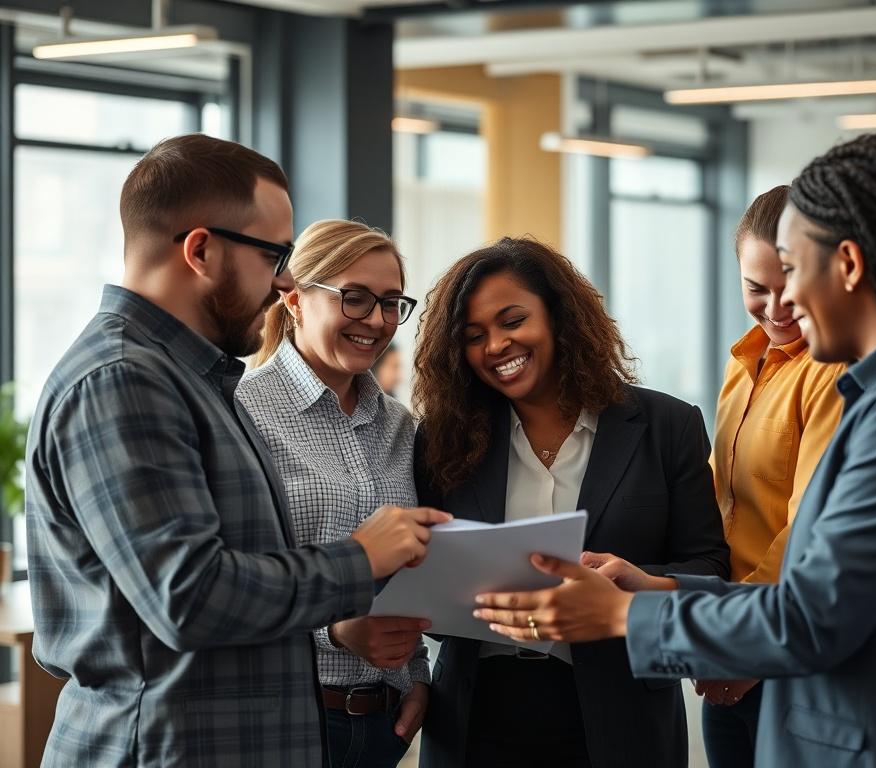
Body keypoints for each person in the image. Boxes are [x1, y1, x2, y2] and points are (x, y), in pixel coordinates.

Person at [474, 133, 876, 766]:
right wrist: (656, 592)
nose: (781, 303)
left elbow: (812, 618)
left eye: (791, 269)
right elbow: (821, 597)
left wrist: (622, 616)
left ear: (846, 264)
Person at [24, 134, 449, 767]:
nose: (282, 280)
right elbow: (190, 596)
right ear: (200, 250)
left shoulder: (190, 380)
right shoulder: (124, 379)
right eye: (275, 256)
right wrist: (359, 559)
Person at [412, 237, 730, 768]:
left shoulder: (666, 426)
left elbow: (710, 565)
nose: (495, 346)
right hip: (476, 717)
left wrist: (633, 584)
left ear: (559, 316)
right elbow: (427, 592)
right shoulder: (443, 441)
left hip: (622, 714)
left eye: (513, 321)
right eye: (474, 336)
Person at [236, 219, 427, 768]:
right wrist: (337, 629)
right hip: (285, 720)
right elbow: (233, 577)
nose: (376, 321)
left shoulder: (400, 426)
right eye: (355, 299)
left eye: (391, 303)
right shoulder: (243, 414)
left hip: (384, 723)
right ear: (294, 299)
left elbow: (409, 573)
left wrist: (416, 677)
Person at [693, 185, 844, 767]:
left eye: (790, 286)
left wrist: (745, 643)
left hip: (783, 646)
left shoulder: (830, 369)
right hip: (731, 631)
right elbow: (717, 495)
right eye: (757, 289)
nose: (776, 308)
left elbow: (812, 527)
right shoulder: (745, 365)